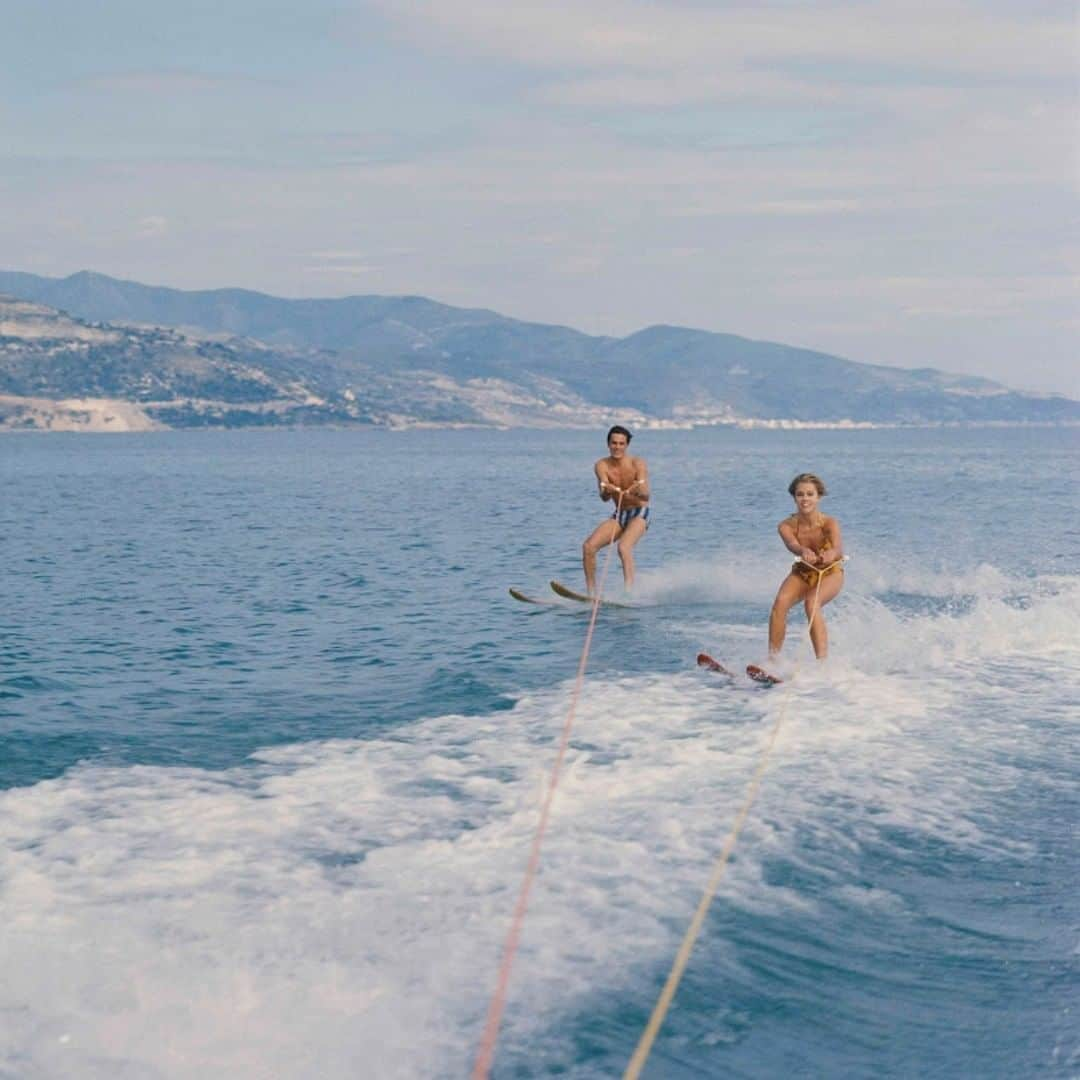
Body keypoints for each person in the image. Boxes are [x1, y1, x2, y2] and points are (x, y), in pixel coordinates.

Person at [766, 472, 844, 660]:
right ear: (794, 497)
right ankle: (773, 662)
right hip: (803, 572)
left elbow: (838, 549)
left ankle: (822, 664)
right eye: (800, 494)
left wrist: (830, 554)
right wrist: (802, 551)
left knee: (811, 603)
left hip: (830, 572)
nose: (805, 499)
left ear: (818, 497)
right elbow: (792, 544)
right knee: (780, 604)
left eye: (810, 494)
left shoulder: (829, 523)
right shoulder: (786, 526)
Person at [582, 425, 650, 594]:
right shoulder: (601, 465)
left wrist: (636, 488)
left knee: (623, 547)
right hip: (620, 513)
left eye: (621, 443)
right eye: (614, 443)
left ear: (627, 445)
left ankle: (629, 593)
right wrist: (607, 489)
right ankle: (591, 593)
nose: (617, 447)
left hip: (639, 513)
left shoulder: (637, 463)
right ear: (608, 444)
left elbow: (646, 495)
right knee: (588, 547)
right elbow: (604, 497)